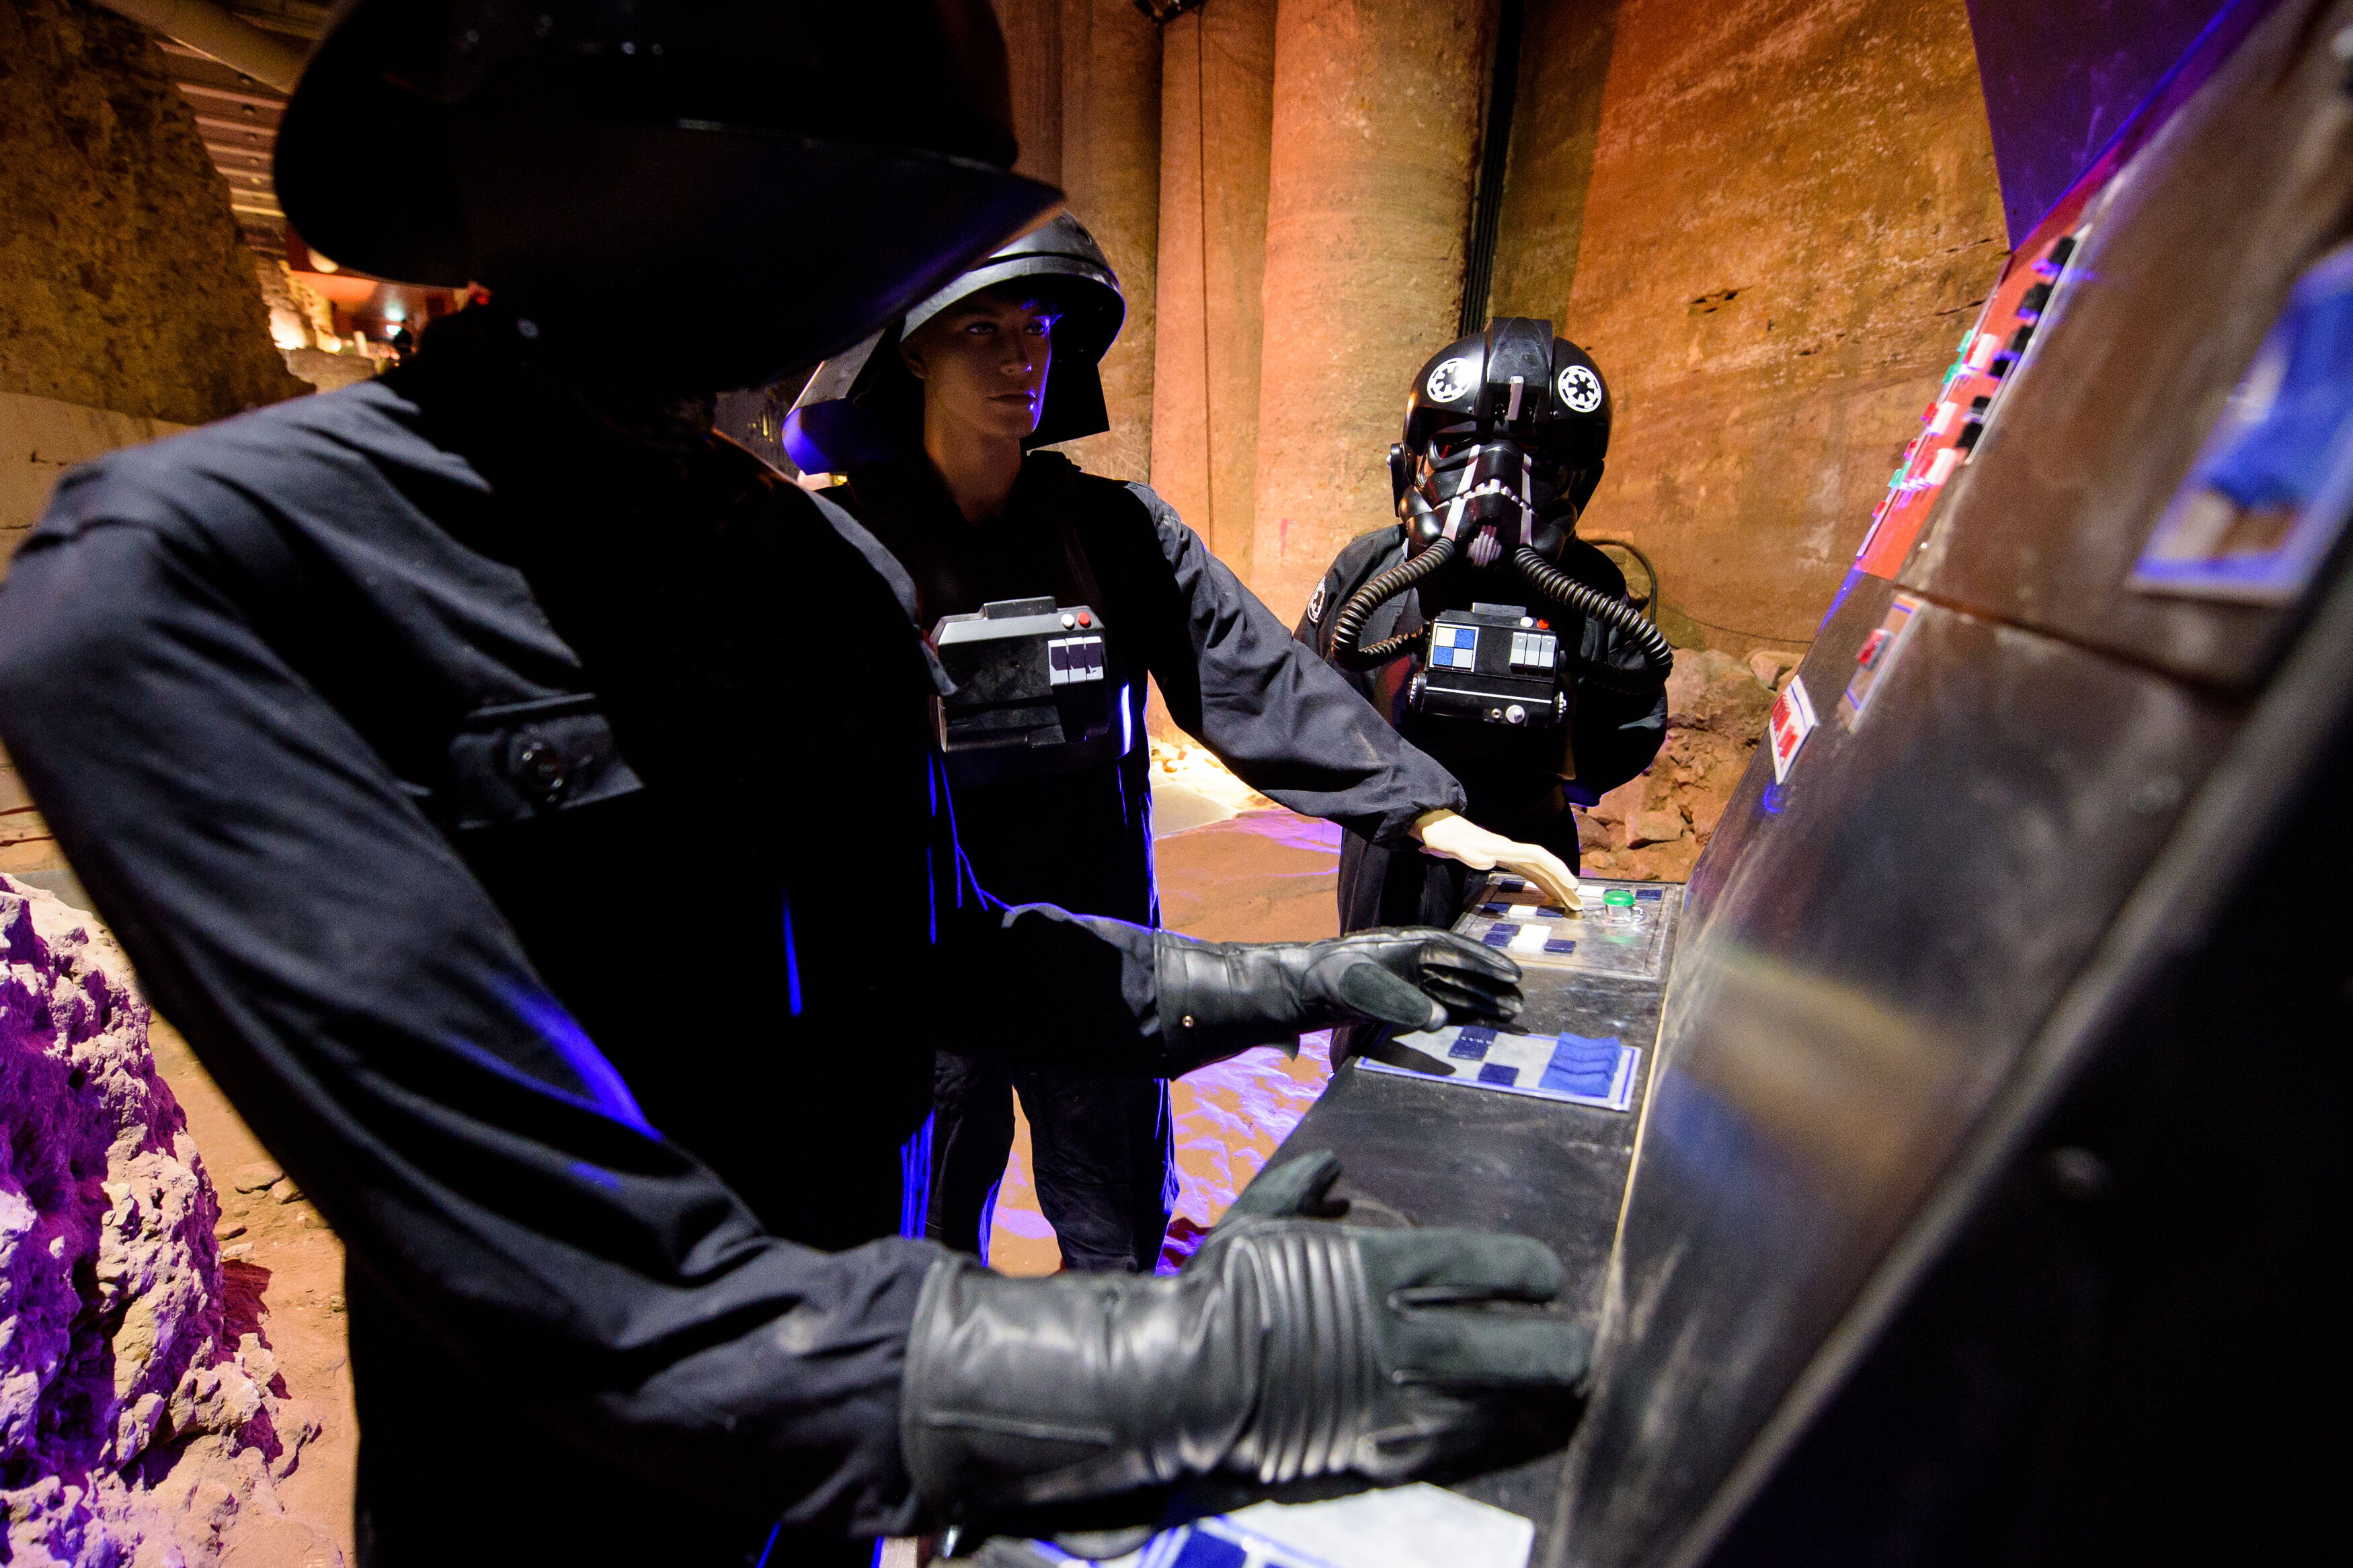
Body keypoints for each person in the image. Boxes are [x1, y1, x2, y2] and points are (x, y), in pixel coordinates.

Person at [0, 5, 1586, 1565]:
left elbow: (953, 959)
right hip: (576, 1512)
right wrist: (1167, 1371)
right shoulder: (210, 576)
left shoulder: (812, 568)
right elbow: (570, 1263)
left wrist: (1302, 976)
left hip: (845, 1467)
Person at [784, 216, 1583, 1274]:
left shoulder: (1114, 532)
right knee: (923, 1242)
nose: (1021, 357)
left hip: (1105, 956)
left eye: (1037, 328)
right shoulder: (845, 543)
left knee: (1115, 1230)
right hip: (936, 962)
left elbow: (1250, 670)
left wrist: (1429, 811)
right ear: (915, 350)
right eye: (981, 328)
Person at [1298, 319, 1673, 946]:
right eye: (1458, 445)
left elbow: (1625, 736)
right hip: (1394, 845)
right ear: (1412, 462)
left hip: (1528, 844)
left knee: (1518, 994)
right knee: (1379, 994)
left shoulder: (1592, 587)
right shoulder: (1370, 568)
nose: (1496, 478)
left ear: (1579, 477)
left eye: (1539, 456)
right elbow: (1306, 701)